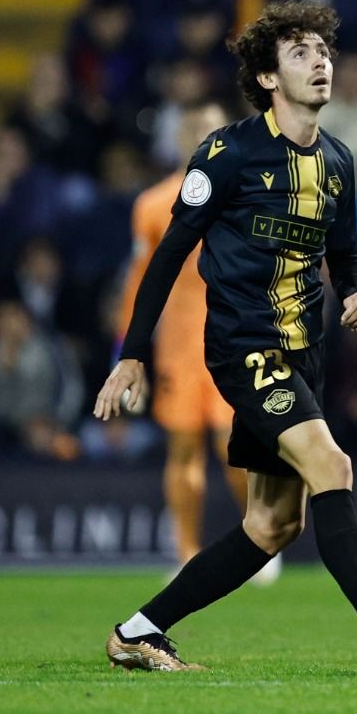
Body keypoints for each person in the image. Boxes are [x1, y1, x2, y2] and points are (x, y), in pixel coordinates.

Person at [95, 1, 357, 674]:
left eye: (324, 50)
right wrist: (132, 354)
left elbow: (345, 253)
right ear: (265, 78)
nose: (320, 62)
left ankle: (138, 630)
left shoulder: (337, 161)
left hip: (303, 355)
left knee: (272, 525)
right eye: (300, 53)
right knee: (334, 467)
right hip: (244, 350)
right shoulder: (228, 155)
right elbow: (167, 255)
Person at [117, 100, 281, 583]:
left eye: (211, 129)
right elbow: (138, 284)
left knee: (238, 450)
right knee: (183, 449)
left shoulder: (250, 197)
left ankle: (259, 543)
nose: (203, 137)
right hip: (179, 350)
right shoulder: (152, 205)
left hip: (236, 342)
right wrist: (129, 353)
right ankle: (187, 552)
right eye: (194, 129)